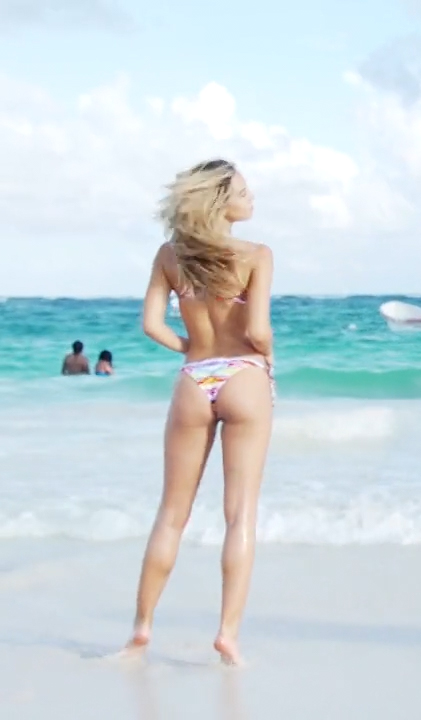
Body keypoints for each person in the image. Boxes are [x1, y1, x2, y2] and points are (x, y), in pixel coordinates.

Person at [122, 158, 276, 666]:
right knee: (240, 514)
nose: (251, 198)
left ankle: (142, 629)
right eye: (243, 192)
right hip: (245, 375)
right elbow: (257, 331)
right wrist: (267, 359)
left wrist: (190, 346)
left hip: (194, 377)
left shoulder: (170, 256)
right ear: (219, 201)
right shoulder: (256, 255)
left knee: (171, 514)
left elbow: (152, 325)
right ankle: (228, 635)